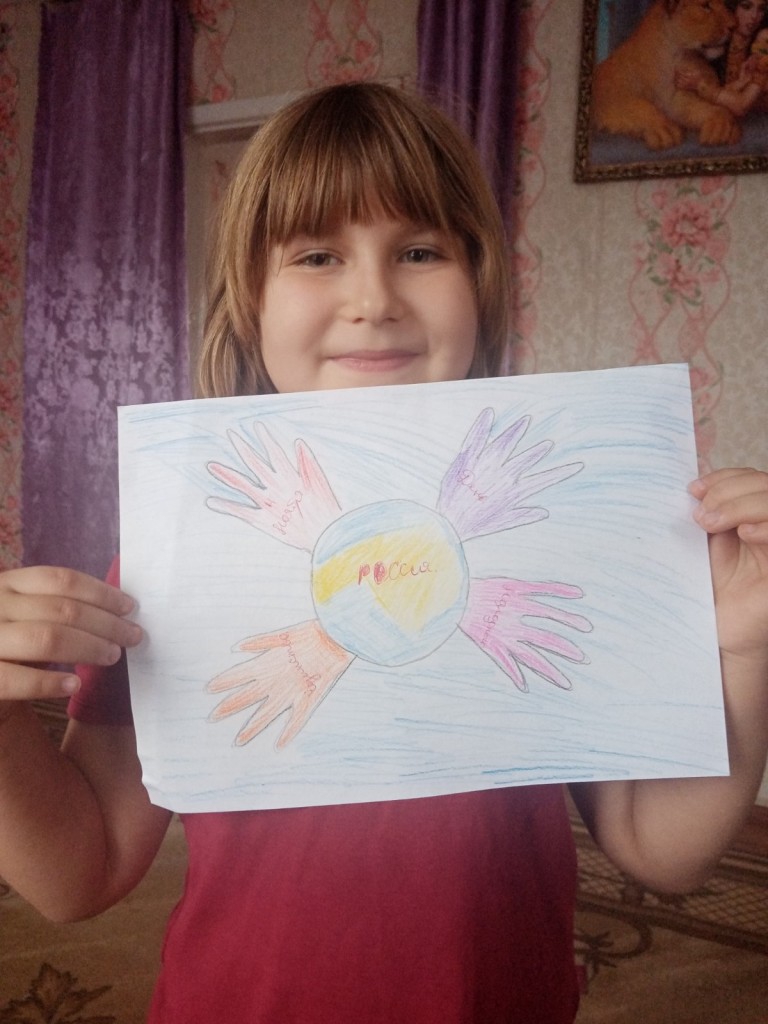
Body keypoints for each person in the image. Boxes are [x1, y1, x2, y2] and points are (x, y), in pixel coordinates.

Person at [1, 82, 767, 1023]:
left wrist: (743, 650)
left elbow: (661, 849)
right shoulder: (180, 562)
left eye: (419, 251)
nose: (373, 300)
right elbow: (80, 873)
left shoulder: (566, 542)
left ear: (480, 281)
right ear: (250, 300)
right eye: (316, 255)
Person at [677, 24, 768, 116]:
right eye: (756, 45)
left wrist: (700, 85)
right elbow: (727, 96)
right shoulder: (757, 67)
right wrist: (741, 82)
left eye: (764, 49)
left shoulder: (763, 67)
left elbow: (741, 106)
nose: (757, 55)